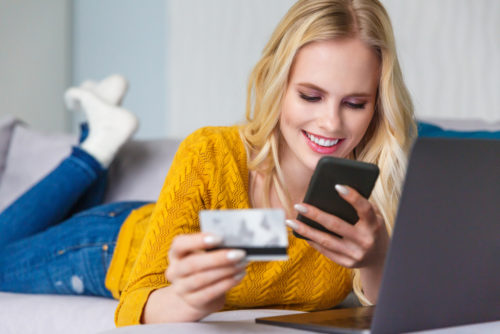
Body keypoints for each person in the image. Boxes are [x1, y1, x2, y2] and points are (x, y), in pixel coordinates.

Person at [0, 0, 417, 327]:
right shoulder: (212, 153)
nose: (330, 122)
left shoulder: (374, 189)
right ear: (278, 85)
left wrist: (377, 257)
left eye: (355, 104)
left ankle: (98, 136)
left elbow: (387, 312)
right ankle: (92, 153)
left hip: (159, 220)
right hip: (111, 243)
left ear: (377, 107)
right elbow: (137, 302)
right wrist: (187, 299)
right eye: (310, 96)